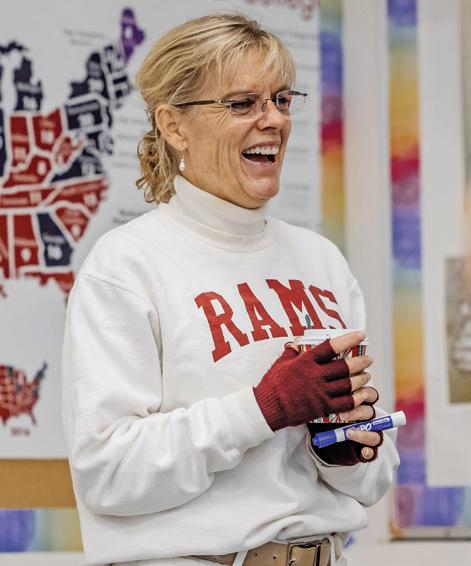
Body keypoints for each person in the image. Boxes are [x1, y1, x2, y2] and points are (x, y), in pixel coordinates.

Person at [62, 13, 400, 566]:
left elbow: (374, 481)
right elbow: (109, 473)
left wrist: (343, 449)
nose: (274, 120)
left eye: (282, 100)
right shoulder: (126, 265)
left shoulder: (322, 261)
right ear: (174, 126)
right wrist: (264, 407)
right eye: (243, 104)